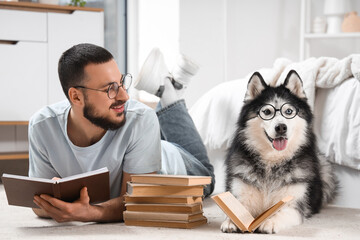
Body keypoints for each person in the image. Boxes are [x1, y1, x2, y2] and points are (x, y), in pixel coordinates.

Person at [29, 43, 215, 223]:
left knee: (209, 178)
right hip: (141, 144)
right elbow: (37, 203)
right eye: (109, 89)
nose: (125, 96)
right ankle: (171, 88)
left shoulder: (141, 118)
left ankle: (168, 89)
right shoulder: (42, 126)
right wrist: (57, 206)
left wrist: (90, 213)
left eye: (121, 83)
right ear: (76, 96)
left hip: (174, 162)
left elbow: (137, 202)